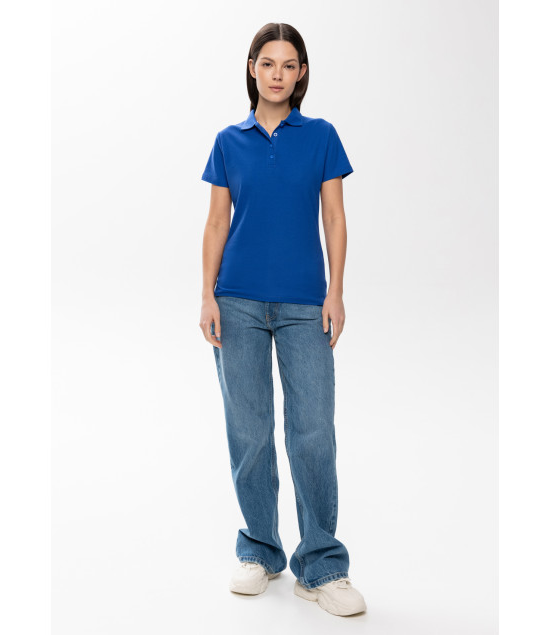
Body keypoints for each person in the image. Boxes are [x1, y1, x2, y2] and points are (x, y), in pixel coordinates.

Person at [198, 23, 366, 618]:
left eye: (288, 64)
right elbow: (217, 222)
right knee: (248, 432)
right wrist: (207, 295)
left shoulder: (321, 136)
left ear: (301, 73)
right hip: (236, 301)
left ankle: (322, 565)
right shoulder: (228, 141)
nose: (277, 74)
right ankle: (260, 551)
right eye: (267, 63)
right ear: (252, 69)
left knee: (313, 430)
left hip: (303, 304)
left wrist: (335, 292)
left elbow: (335, 219)